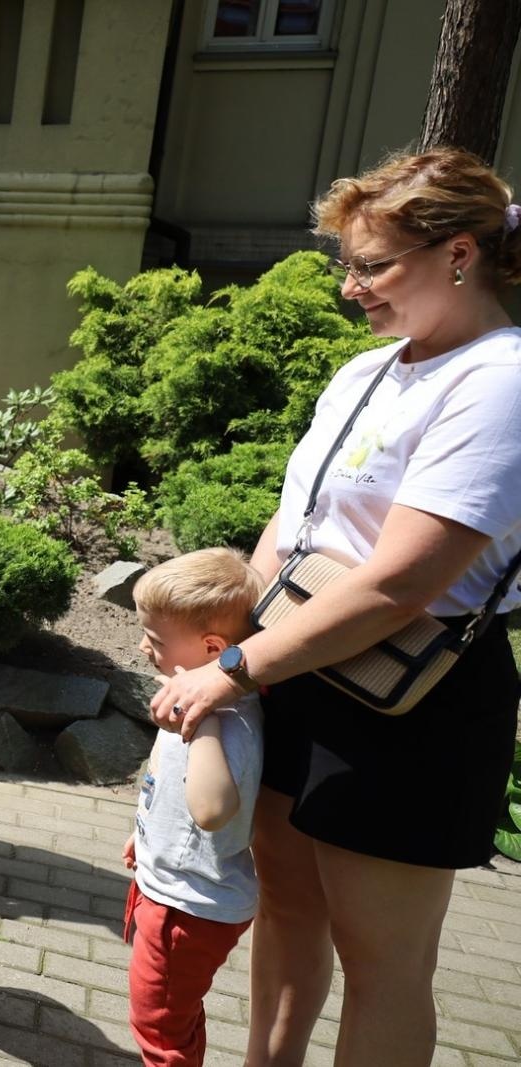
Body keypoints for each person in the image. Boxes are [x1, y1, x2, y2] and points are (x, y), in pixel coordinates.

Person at [150, 147, 521, 1067]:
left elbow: (401, 584)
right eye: (346, 264)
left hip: (412, 700)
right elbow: (294, 524)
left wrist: (232, 668)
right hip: (297, 668)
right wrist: (235, 647)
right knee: (287, 909)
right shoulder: (367, 374)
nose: (350, 287)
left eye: (372, 266)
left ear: (460, 255)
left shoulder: (500, 380)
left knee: (382, 964)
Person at [122, 548, 266, 1067]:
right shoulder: (197, 704)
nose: (143, 647)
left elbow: (211, 809)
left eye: (156, 639)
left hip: (187, 910)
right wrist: (145, 832)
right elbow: (170, 786)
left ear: (211, 648)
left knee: (158, 1027)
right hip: (171, 888)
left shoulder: (226, 723)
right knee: (176, 1016)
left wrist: (200, 723)